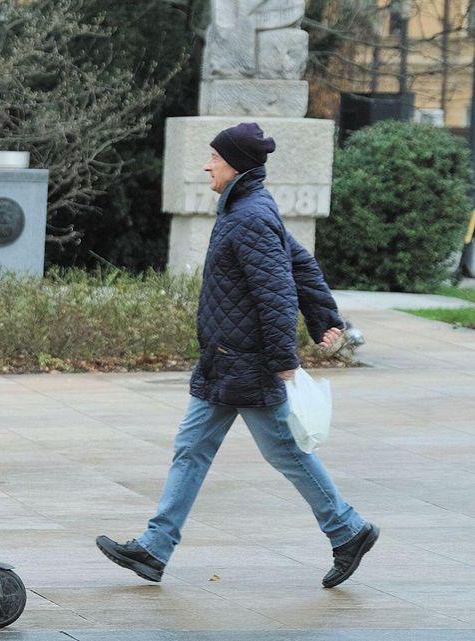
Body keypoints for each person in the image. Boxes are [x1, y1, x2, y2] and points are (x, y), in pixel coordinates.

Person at [96, 122, 379, 589]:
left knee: (285, 451)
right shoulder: (247, 209)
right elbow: (300, 262)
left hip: (247, 363)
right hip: (224, 361)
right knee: (191, 449)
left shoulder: (249, 216)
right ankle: (154, 548)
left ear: (236, 165)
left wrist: (286, 358)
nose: (207, 164)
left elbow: (276, 291)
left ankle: (347, 529)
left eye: (214, 157)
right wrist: (328, 319)